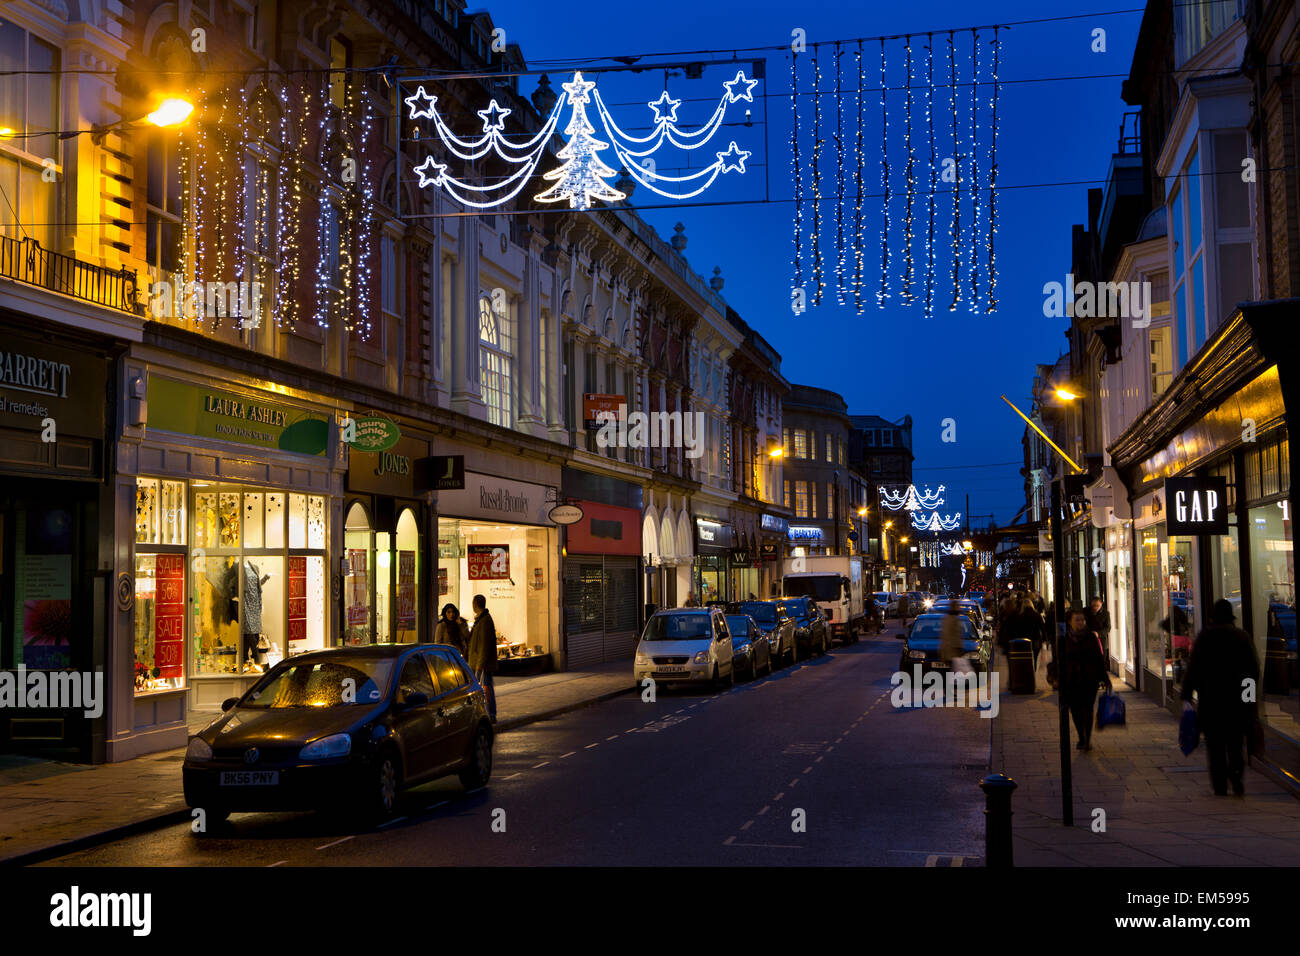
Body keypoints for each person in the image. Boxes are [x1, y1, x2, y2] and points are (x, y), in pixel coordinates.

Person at [1181, 599, 1260, 796]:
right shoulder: (1242, 637)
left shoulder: (1205, 638)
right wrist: (1249, 700)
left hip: (1211, 701)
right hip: (1237, 702)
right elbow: (1252, 671)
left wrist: (1187, 694)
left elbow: (1193, 668)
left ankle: (1219, 785)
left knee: (1214, 745)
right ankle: (1236, 777)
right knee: (1235, 743)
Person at [1059, 606, 1111, 752]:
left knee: (1087, 709)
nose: (1081, 622)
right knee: (1075, 710)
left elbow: (1099, 658)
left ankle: (1087, 739)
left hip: (1089, 680)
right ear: (1070, 622)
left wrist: (1105, 678)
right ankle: (1081, 736)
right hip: (1072, 680)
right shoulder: (1065, 639)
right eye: (1077, 620)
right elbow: (1060, 661)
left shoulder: (1090, 637)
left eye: (1082, 620)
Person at [467, 594, 498, 721]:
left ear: (475, 604)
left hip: (483, 664)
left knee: (486, 689)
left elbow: (484, 645)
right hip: (481, 662)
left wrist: (480, 665)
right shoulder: (482, 620)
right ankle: (490, 713)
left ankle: (490, 714)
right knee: (487, 688)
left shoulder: (484, 621)